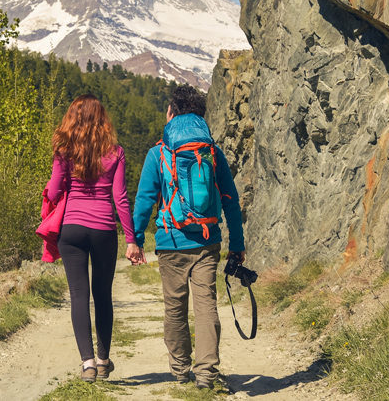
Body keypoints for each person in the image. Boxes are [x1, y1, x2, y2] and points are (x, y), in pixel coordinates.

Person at [127, 85, 246, 391]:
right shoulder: (212, 153)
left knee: (175, 307)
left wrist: (135, 239)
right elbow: (231, 200)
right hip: (208, 241)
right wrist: (237, 245)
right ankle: (207, 374)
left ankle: (180, 370)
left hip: (171, 243)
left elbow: (144, 200)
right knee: (206, 306)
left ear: (172, 112)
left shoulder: (159, 153)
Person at [46, 94, 143, 382]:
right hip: (103, 229)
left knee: (78, 295)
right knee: (102, 295)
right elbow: (121, 198)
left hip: (71, 229)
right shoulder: (116, 151)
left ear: (72, 118)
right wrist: (131, 240)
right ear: (102, 120)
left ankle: (87, 363)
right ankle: (103, 361)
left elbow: (52, 192)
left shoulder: (64, 150)